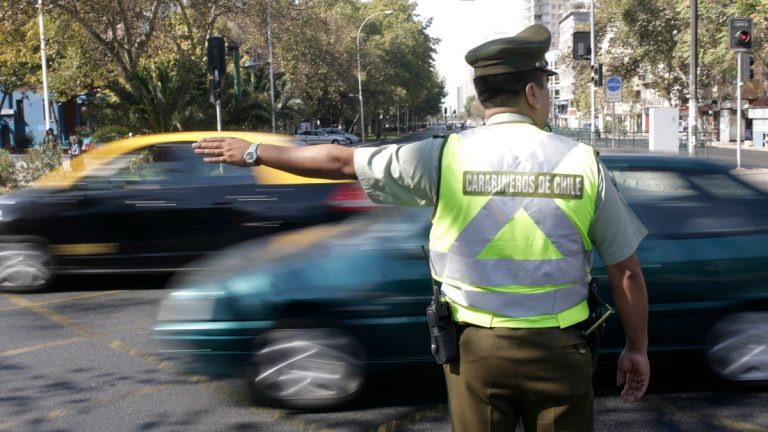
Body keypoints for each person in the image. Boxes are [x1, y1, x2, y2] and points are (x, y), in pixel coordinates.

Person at [193, 24, 649, 431]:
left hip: (476, 352)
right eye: (546, 88)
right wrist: (636, 349)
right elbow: (625, 271)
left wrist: (254, 152)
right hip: (562, 352)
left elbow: (338, 161)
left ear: (482, 96)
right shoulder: (582, 161)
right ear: (532, 92)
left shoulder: (444, 155)